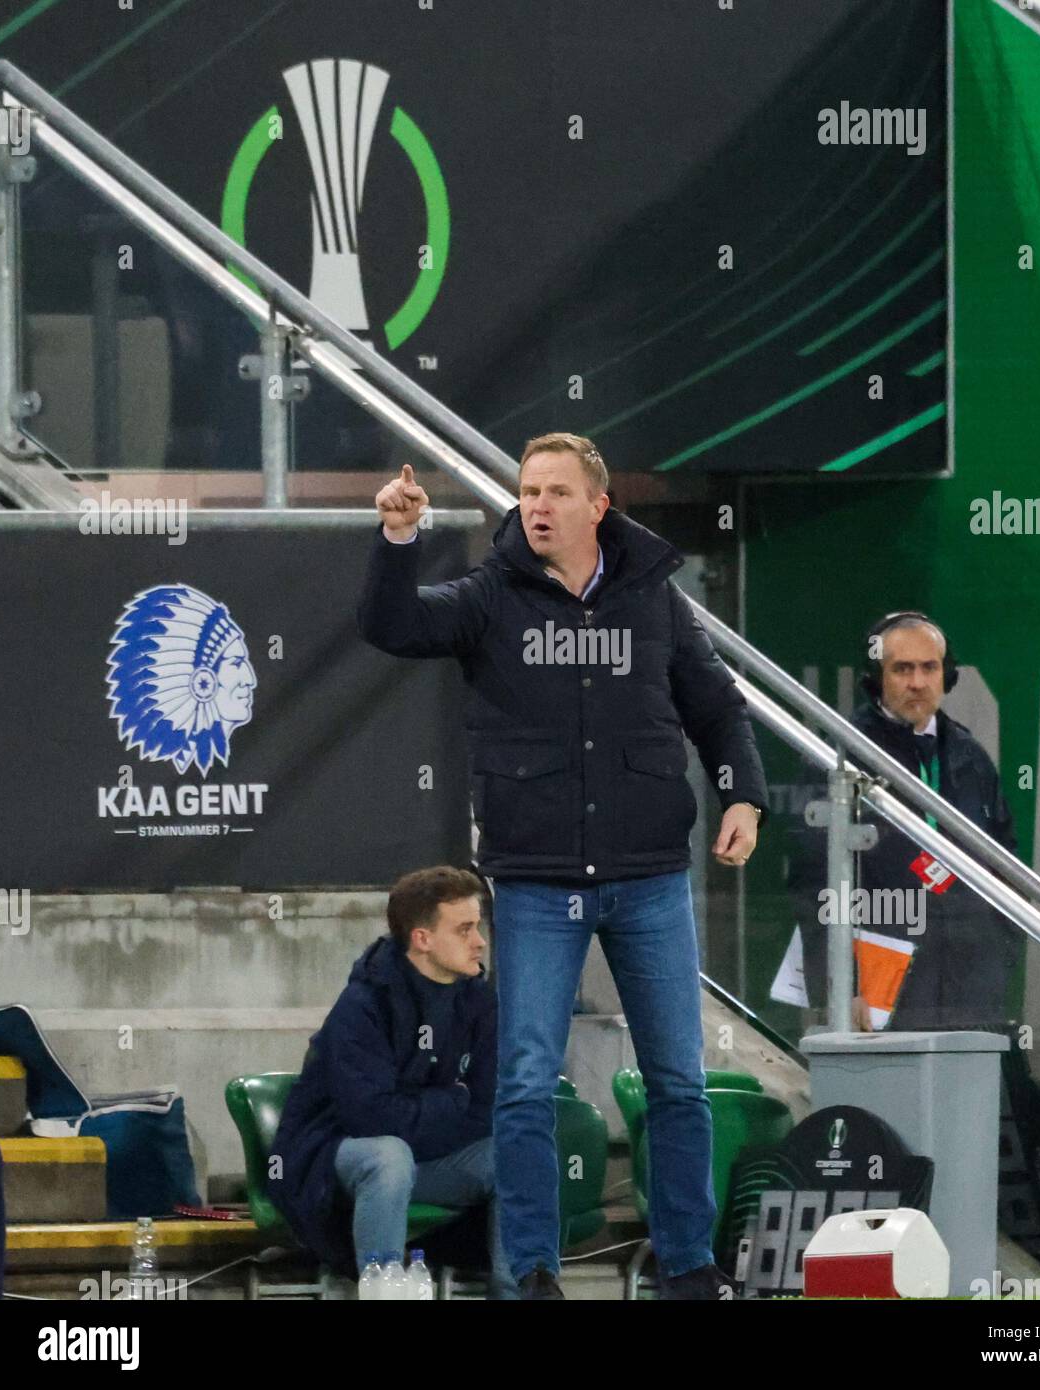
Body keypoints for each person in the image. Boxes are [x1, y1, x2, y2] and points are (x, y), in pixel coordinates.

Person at [358, 433, 769, 1299]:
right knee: (522, 1085)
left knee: (678, 1084)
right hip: (537, 882)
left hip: (651, 877)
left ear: (597, 507)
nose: (534, 505)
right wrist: (397, 541)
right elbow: (394, 626)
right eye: (526, 490)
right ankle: (534, 1272)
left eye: (553, 491)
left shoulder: (656, 600)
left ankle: (688, 1267)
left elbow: (718, 708)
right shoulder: (489, 595)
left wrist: (742, 795)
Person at [269, 865, 518, 1298]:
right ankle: (383, 1291)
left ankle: (512, 1291)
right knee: (390, 1156)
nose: (480, 942)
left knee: (516, 1152)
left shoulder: (479, 999)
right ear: (422, 939)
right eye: (464, 929)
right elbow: (369, 1118)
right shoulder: (364, 1004)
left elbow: (486, 1108)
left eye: (478, 927)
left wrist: (439, 1112)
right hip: (331, 1157)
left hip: (419, 1156)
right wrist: (450, 1102)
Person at [789, 611, 1018, 1031]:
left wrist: (1000, 958)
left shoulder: (970, 755)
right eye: (902, 669)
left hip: (970, 986)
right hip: (879, 993)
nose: (917, 682)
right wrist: (840, 984)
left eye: (929, 668)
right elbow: (813, 881)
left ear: (946, 675)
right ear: (876, 678)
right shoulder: (841, 755)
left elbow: (1005, 867)